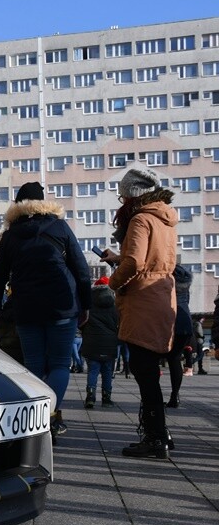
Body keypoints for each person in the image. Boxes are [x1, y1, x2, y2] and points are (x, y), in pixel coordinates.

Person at [0, 182, 91, 441]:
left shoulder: (11, 235)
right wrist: (86, 304)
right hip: (62, 306)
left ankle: (35, 421)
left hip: (26, 307)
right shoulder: (60, 227)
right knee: (59, 364)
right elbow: (81, 269)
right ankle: (50, 417)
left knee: (33, 365)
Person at [100, 168, 177, 459]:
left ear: (133, 195)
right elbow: (151, 258)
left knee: (145, 374)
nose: (122, 200)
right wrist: (117, 258)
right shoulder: (164, 217)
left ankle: (154, 438)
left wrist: (114, 284)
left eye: (123, 195)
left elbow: (134, 262)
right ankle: (160, 434)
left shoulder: (141, 219)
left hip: (143, 299)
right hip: (161, 294)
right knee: (150, 371)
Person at [81, 277, 118, 408]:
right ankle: (106, 399)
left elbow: (82, 323)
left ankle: (90, 397)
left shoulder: (89, 306)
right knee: (108, 373)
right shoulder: (115, 307)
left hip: (92, 344)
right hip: (110, 345)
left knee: (93, 371)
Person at [164, 265, 194, 408]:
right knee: (175, 360)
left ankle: (154, 397)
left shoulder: (167, 285)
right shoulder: (186, 289)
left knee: (152, 357)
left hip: (170, 322)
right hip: (185, 324)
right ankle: (174, 396)